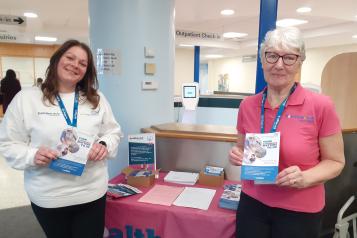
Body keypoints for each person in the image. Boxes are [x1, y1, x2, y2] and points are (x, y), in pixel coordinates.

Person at [229, 27, 345, 238]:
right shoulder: (247, 105)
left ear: (300, 63)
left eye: (289, 57)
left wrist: (306, 177)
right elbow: (241, 146)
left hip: (299, 210)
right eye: (272, 55)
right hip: (252, 203)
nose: (279, 65)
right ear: (262, 60)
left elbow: (336, 162)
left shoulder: (320, 106)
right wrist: (237, 153)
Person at [0, 39, 122, 238]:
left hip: (91, 191)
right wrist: (32, 155)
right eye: (70, 58)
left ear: (87, 71)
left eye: (83, 63)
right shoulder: (27, 99)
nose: (75, 65)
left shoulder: (95, 98)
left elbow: (113, 132)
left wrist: (103, 144)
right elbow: (8, 142)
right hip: (49, 195)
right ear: (57, 60)